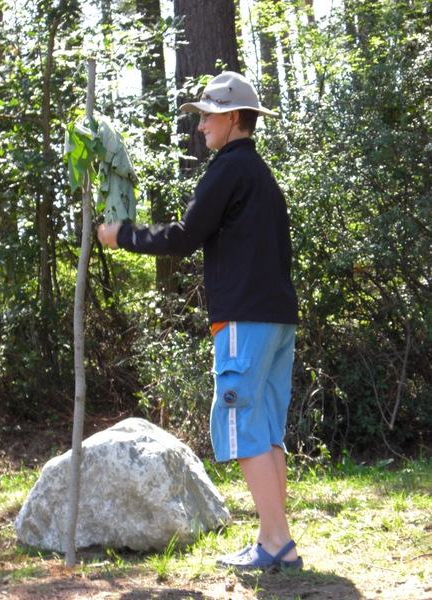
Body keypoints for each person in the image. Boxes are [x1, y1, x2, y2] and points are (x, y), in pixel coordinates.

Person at [97, 71, 302, 571]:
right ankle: (277, 541)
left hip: (245, 320)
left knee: (243, 424)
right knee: (266, 429)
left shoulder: (228, 169)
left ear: (233, 118)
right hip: (277, 320)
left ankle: (275, 543)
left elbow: (185, 236)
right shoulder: (260, 175)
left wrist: (123, 235)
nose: (201, 125)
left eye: (208, 115)